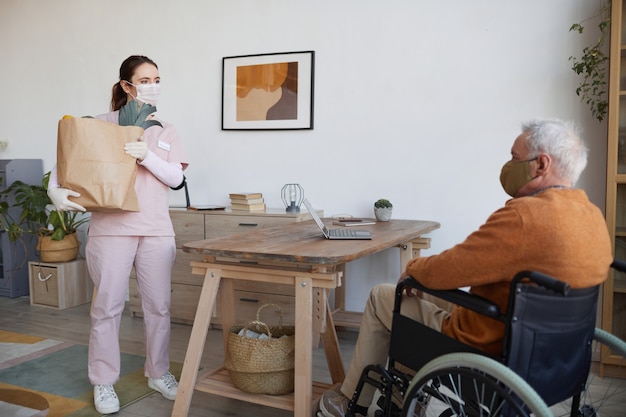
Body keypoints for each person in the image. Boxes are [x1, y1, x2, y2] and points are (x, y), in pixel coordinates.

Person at [317, 119, 613, 417]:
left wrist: (415, 269)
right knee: (418, 293)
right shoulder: (592, 217)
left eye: (514, 157)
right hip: (553, 354)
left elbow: (453, 267)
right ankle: (399, 394)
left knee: (385, 295)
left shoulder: (525, 216)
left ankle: (350, 401)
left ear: (541, 165)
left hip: (486, 345)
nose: (508, 165)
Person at [47, 55, 188, 415]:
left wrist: (146, 156)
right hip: (111, 229)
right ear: (127, 85)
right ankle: (103, 382)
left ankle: (158, 373)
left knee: (159, 308)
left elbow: (176, 179)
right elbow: (68, 161)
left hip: (156, 230)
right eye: (145, 79)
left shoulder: (164, 128)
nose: (153, 84)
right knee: (107, 308)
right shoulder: (97, 124)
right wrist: (55, 190)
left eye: (157, 78)